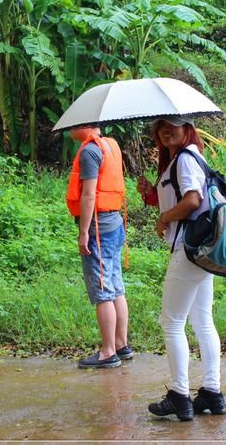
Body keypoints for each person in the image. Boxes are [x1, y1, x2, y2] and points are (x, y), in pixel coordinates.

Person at [136, 116, 226, 421]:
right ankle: (212, 393)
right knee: (202, 320)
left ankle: (179, 395)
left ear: (188, 128)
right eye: (161, 124)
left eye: (174, 123)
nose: (166, 128)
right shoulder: (182, 160)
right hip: (200, 251)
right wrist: (151, 194)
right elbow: (178, 200)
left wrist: (163, 220)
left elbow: (191, 200)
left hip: (188, 250)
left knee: (172, 323)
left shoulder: (186, 158)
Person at [66, 125, 132, 369]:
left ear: (84, 124)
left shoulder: (89, 152)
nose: (70, 129)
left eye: (74, 124)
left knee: (103, 289)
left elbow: (89, 196)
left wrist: (83, 232)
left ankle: (108, 352)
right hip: (114, 224)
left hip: (98, 229)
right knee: (115, 286)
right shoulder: (110, 145)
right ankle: (121, 344)